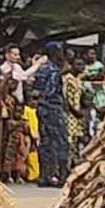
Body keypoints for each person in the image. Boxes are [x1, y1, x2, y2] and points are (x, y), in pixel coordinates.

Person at [32, 46, 70, 188]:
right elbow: (52, 91)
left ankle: (45, 176)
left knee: (45, 142)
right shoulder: (53, 71)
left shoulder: (42, 69)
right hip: (52, 108)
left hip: (42, 109)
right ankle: (61, 176)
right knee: (61, 141)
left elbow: (35, 91)